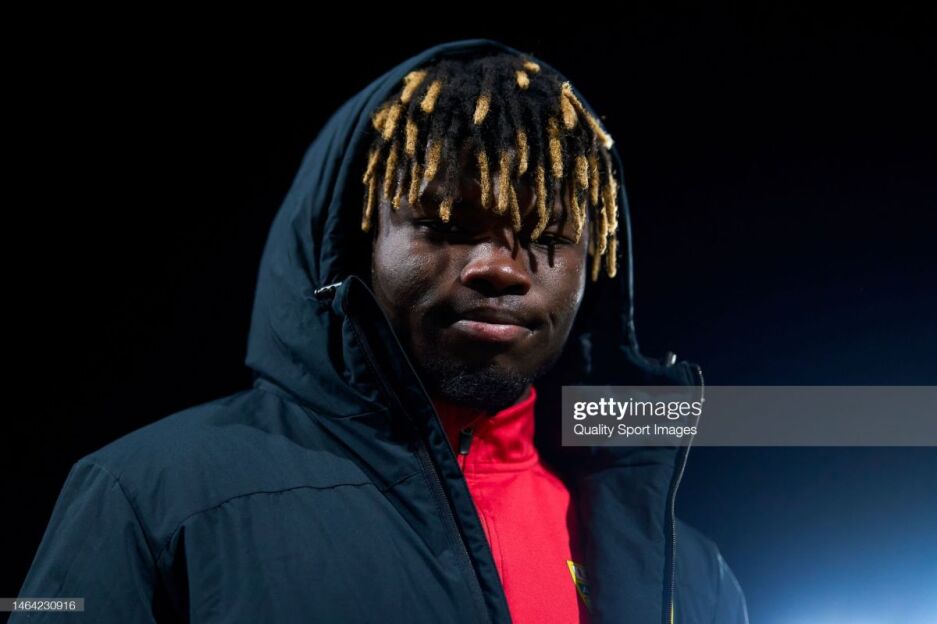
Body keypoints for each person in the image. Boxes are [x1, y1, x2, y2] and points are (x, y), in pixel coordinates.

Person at [13, 38, 749, 623]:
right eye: (444, 225)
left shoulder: (686, 572)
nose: (499, 267)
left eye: (547, 237)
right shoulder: (151, 495)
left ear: (596, 266)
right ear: (356, 244)